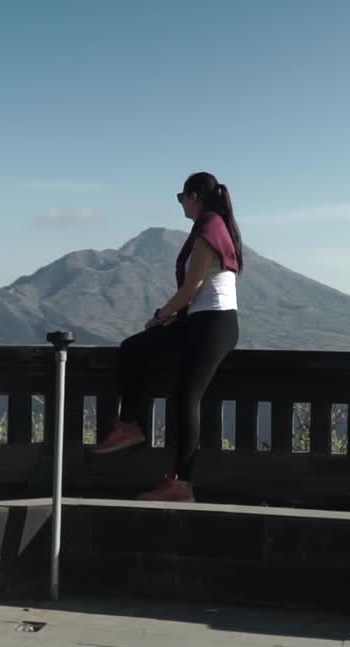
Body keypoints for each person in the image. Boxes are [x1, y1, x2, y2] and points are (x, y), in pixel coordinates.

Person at [91, 171, 243, 502]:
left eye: (181, 198)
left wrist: (161, 315)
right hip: (199, 322)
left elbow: (194, 286)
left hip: (214, 324)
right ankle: (130, 425)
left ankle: (181, 484)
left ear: (194, 197)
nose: (180, 205)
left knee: (186, 397)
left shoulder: (209, 228)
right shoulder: (211, 226)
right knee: (134, 348)